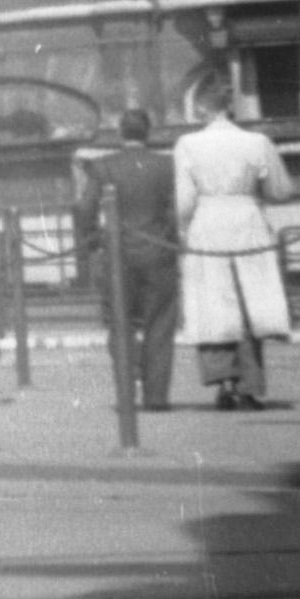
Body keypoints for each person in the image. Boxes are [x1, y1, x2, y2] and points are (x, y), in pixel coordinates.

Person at [174, 77, 295, 408]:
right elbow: (281, 190)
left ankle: (224, 383)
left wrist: (184, 229)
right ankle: (249, 387)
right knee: (249, 303)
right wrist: (252, 193)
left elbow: (184, 201)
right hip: (248, 221)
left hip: (207, 223)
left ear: (201, 109)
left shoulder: (188, 144)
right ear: (230, 108)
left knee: (213, 303)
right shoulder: (258, 141)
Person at [78, 108, 180, 410]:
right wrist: (170, 239)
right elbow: (176, 209)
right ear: (148, 132)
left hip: (117, 254)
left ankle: (126, 393)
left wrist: (93, 239)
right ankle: (156, 397)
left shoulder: (102, 166)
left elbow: (86, 208)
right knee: (160, 324)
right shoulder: (167, 165)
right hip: (158, 253)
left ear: (121, 133)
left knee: (119, 324)